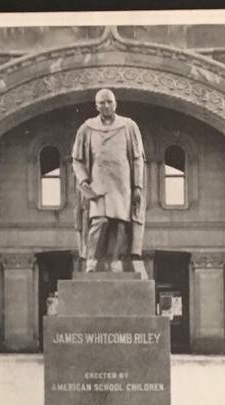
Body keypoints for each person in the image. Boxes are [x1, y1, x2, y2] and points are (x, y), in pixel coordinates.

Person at [72, 88, 147, 273]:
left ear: (115, 103)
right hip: (98, 182)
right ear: (96, 106)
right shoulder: (87, 128)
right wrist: (83, 180)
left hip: (122, 182)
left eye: (109, 102)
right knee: (99, 220)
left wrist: (137, 185)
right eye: (102, 103)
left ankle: (114, 261)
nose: (106, 106)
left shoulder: (129, 126)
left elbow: (138, 158)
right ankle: (92, 260)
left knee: (119, 221)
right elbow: (77, 159)